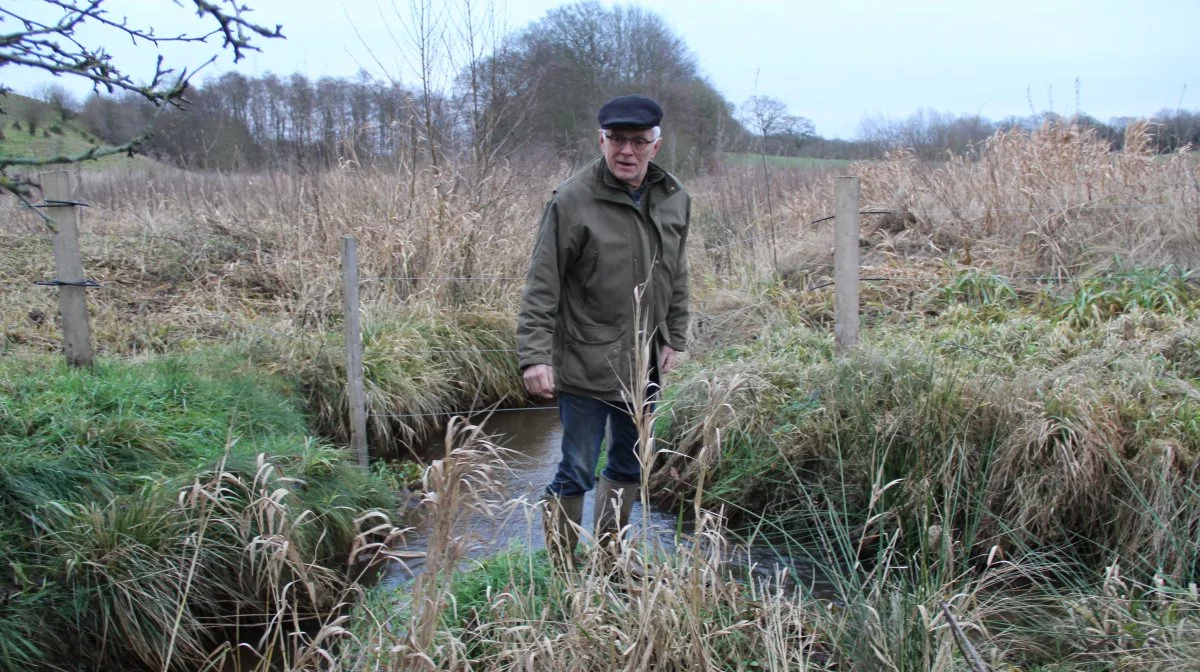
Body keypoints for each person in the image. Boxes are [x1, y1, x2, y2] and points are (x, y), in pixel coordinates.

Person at [516, 94, 691, 571]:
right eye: (617, 140)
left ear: (656, 145)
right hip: (584, 363)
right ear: (601, 140)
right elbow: (542, 282)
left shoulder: (675, 198)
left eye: (638, 141)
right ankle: (561, 568)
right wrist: (534, 356)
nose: (626, 151)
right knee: (576, 467)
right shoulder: (572, 200)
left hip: (644, 365)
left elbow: (676, 273)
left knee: (631, 464)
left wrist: (674, 335)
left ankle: (610, 558)